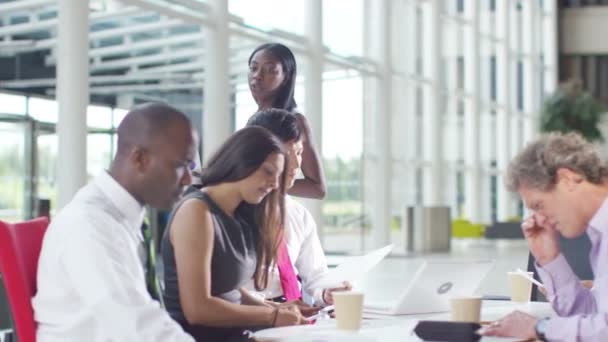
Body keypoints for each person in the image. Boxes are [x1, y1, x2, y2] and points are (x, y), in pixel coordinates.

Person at [32, 103, 196, 341]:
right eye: (181, 166)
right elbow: (138, 326)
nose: (188, 180)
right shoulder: (89, 225)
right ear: (139, 159)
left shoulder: (121, 219)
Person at [161, 127, 308, 342]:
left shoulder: (241, 213)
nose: (275, 184)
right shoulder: (196, 211)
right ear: (241, 163)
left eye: (278, 176)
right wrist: (272, 315)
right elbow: (197, 309)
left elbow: (228, 288)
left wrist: (277, 308)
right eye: (268, 172)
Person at [482, 132, 608, 341]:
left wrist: (542, 327)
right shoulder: (600, 234)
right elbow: (593, 317)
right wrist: (551, 258)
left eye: (539, 206)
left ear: (567, 179)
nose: (541, 220)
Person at [244, 109, 350, 305]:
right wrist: (274, 311)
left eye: (299, 152)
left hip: (293, 314)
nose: (295, 165)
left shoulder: (298, 214)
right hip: (250, 314)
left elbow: (316, 276)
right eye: (285, 154)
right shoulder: (233, 210)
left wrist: (326, 292)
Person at [248, 42, 326, 199]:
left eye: (270, 70)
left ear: (286, 77)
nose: (257, 75)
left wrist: (269, 182)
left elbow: (318, 187)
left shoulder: (295, 121)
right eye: (254, 68)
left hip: (274, 212)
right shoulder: (254, 119)